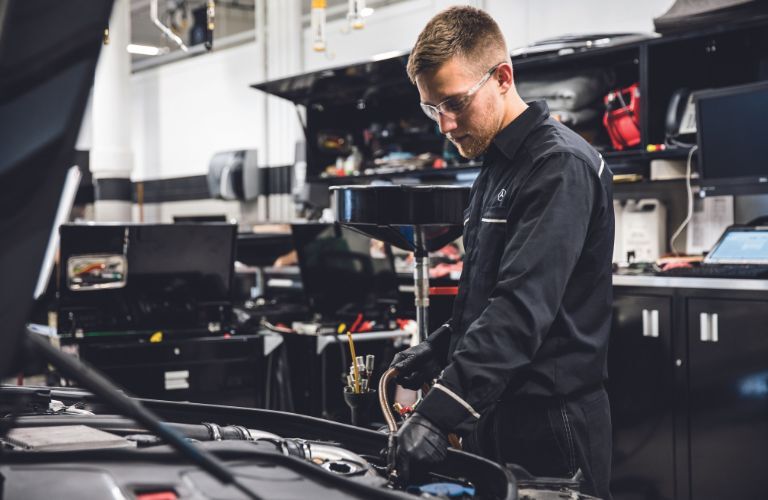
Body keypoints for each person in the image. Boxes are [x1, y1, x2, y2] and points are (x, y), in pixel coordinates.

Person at [390, 6, 615, 499]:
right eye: (432, 108)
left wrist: (437, 414)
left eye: (454, 103)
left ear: (502, 78)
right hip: (499, 412)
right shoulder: (497, 165)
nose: (445, 124)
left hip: (552, 425)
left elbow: (521, 308)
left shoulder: (558, 166)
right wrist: (442, 346)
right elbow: (490, 293)